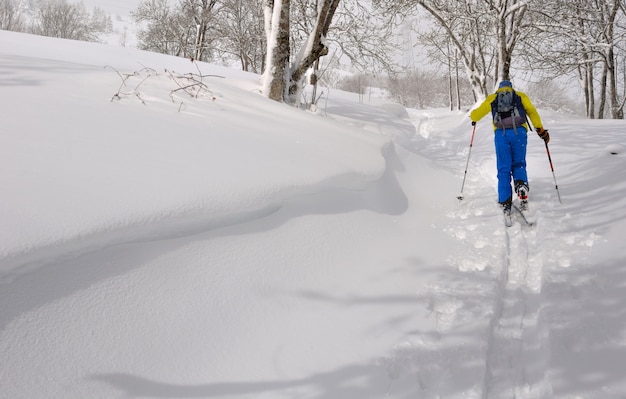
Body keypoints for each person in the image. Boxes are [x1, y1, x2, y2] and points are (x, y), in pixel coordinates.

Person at [469, 80, 549, 215]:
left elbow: (476, 115)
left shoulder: (493, 97)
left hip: (502, 135)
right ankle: (521, 186)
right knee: (519, 163)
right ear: (511, 87)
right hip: (520, 134)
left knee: (504, 168)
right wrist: (540, 129)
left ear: (499, 88)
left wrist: (473, 116)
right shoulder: (520, 96)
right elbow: (532, 112)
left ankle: (505, 200)